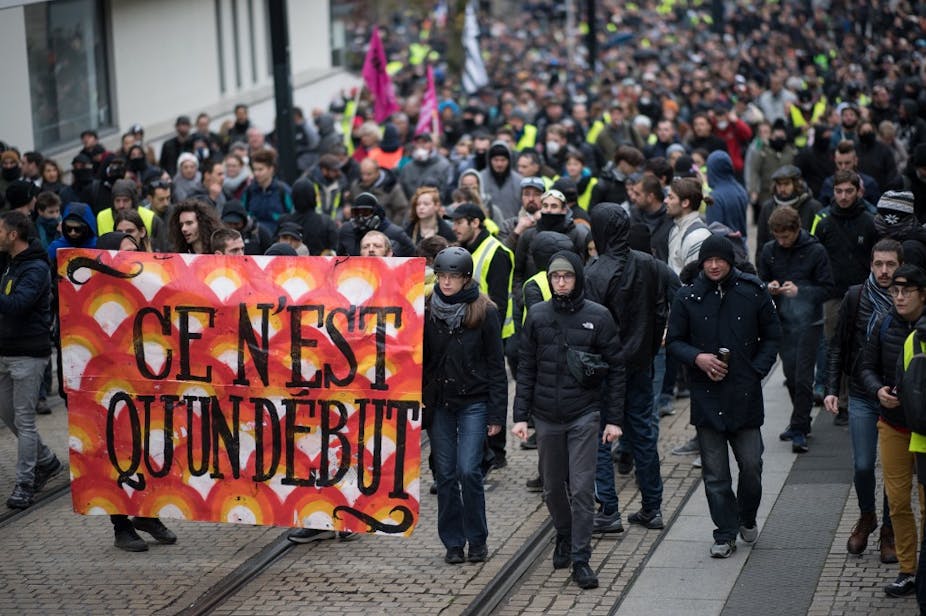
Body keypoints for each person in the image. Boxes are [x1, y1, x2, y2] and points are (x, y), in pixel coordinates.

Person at [513, 250, 623, 589]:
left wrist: (614, 419)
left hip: (584, 415)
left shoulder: (599, 316)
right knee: (552, 488)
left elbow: (617, 370)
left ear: (577, 278)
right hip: (546, 416)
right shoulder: (538, 315)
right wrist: (520, 417)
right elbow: (526, 367)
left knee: (581, 489)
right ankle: (563, 532)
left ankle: (581, 558)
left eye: (567, 276)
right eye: (555, 277)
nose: (561, 282)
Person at [666, 235, 781, 558]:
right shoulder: (688, 296)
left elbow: (773, 335)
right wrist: (697, 358)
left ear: (730, 261)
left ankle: (746, 515)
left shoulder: (752, 290)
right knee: (715, 474)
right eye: (708, 260)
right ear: (701, 262)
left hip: (744, 396)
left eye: (720, 260)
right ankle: (725, 533)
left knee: (751, 466)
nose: (714, 266)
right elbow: (673, 341)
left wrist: (756, 370)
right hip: (707, 398)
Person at [585, 203, 668, 532]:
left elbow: (592, 328)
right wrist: (646, 352)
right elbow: (660, 312)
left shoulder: (594, 272)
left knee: (602, 437)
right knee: (642, 434)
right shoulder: (648, 264)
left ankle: (607, 509)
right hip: (639, 365)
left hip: (607, 370)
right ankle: (652, 507)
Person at [422, 247, 506, 565]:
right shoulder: (428, 309)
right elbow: (421, 360)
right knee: (444, 474)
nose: (446, 283)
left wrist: (497, 414)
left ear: (465, 278)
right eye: (442, 276)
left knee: (468, 470)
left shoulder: (485, 312)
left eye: (452, 277)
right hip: (441, 402)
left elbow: (497, 366)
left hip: (474, 401)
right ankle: (454, 542)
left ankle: (478, 538)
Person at [824, 239, 903, 564]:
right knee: (862, 464)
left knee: (894, 470)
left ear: (900, 265)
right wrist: (831, 387)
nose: (884, 271)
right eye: (878, 264)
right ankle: (867, 515)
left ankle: (888, 530)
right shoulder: (856, 296)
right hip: (860, 393)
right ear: (870, 265)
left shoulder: (908, 298)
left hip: (897, 399)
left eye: (890, 265)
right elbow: (838, 344)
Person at [859, 265, 926, 598]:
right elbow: (865, 366)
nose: (899, 297)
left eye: (907, 291)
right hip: (893, 425)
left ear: (922, 295)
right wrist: (877, 392)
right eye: (895, 291)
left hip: (924, 430)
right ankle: (908, 569)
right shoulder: (885, 323)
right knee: (898, 502)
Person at [0, 211, 63, 509]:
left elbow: (17, 305)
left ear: (13, 235)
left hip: (28, 354)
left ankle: (25, 482)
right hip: (4, 352)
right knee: (9, 415)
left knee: (24, 420)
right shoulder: (10, 264)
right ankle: (47, 461)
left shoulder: (36, 268)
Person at [759, 206, 834, 453]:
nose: (782, 242)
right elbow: (759, 281)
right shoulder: (769, 251)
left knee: (803, 378)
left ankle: (800, 428)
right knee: (791, 376)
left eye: (786, 237)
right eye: (778, 237)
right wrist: (768, 287)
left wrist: (800, 292)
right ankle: (800, 421)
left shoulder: (816, 251)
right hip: (781, 323)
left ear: (797, 229)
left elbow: (827, 288)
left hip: (809, 324)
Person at [336, 192, 415, 257]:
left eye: (365, 212)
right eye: (356, 212)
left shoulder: (395, 233)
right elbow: (339, 258)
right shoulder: (347, 230)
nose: (361, 217)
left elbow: (414, 256)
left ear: (376, 212)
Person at [241, 149, 293, 237]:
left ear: (271, 169)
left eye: (260, 169)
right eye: (255, 169)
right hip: (255, 240)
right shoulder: (248, 191)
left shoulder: (283, 191)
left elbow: (292, 215)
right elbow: (243, 213)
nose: (256, 173)